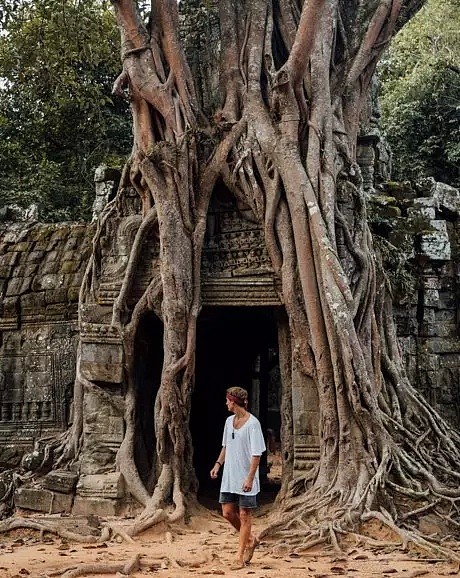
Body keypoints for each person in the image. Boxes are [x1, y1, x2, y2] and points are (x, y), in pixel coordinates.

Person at [210, 387, 266, 569]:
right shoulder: (228, 422)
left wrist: (250, 478)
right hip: (229, 476)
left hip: (246, 477)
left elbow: (257, 454)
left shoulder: (253, 424)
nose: (226, 404)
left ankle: (239, 556)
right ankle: (250, 540)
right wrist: (217, 465)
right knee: (227, 513)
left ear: (233, 402)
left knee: (244, 515)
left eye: (227, 401)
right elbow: (226, 446)